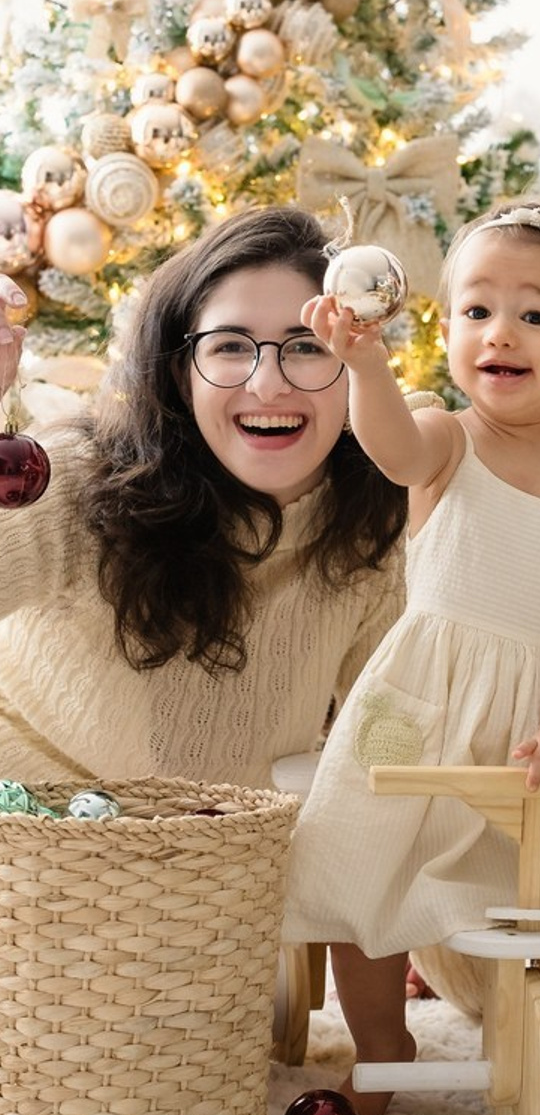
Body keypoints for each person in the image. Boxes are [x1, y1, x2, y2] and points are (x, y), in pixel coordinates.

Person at [282, 201, 540, 1115]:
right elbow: (391, 449)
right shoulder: (445, 435)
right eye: (476, 311)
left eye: (534, 316)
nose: (499, 333)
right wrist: (364, 364)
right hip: (424, 698)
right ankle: (382, 1041)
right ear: (448, 329)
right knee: (358, 859)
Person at [0, 206, 407, 791]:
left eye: (308, 347)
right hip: (38, 848)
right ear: (180, 374)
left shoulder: (373, 521)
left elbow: (395, 733)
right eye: (230, 347)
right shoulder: (71, 483)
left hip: (223, 863)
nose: (268, 384)